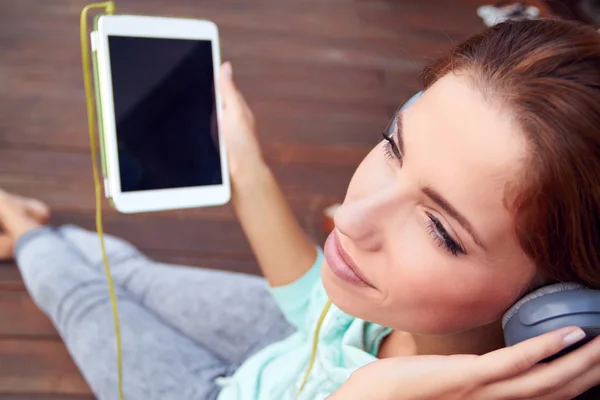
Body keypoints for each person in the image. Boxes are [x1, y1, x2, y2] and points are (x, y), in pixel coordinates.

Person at [2, 18, 600, 400]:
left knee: (84, 299)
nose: (352, 217)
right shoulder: (389, 308)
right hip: (283, 350)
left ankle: (25, 229)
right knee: (125, 278)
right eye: (394, 146)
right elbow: (307, 294)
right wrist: (245, 164)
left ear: (552, 309)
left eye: (441, 230)